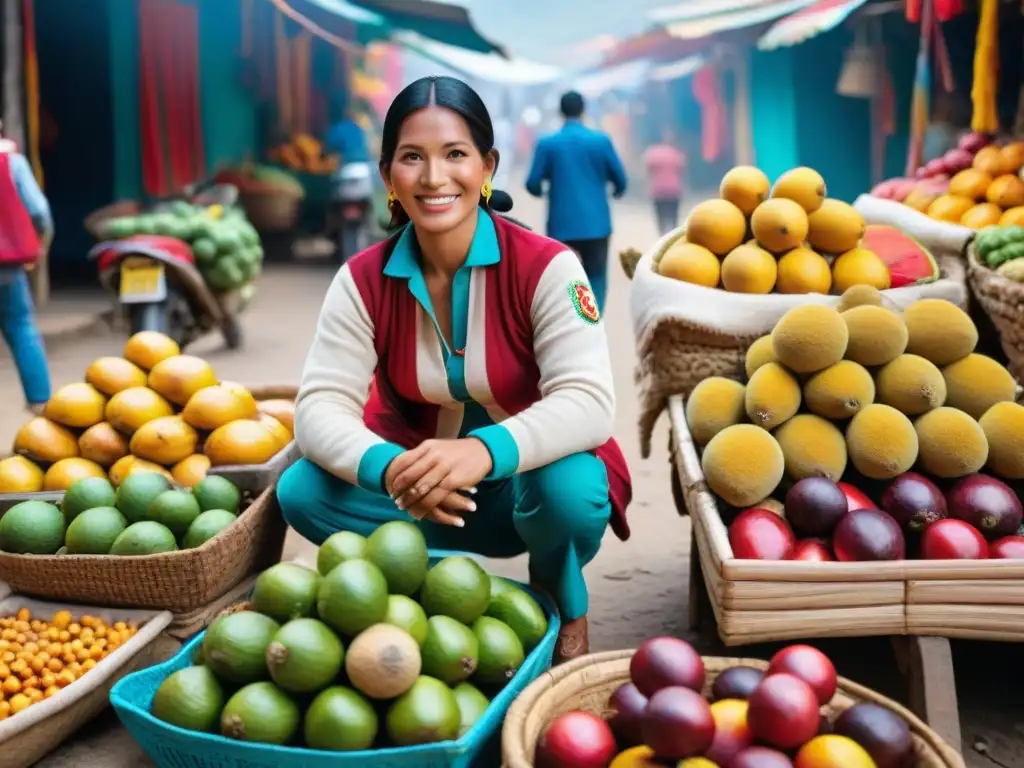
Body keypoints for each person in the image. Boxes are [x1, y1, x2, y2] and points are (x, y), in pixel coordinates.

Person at [277, 75, 633, 663]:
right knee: (304, 492)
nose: (434, 177)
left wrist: (482, 452)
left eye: (456, 154)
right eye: (412, 157)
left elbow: (589, 401)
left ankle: (561, 601)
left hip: (527, 493)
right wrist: (393, 469)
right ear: (388, 173)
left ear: (487, 166)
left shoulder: (548, 267)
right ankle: (424, 589)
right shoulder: (362, 279)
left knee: (567, 490)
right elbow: (317, 409)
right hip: (420, 495)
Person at [525, 91, 627, 313]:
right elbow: (620, 180)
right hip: (596, 224)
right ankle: (593, 320)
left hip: (561, 225)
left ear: (561, 112)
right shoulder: (600, 141)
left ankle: (573, 317)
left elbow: (532, 183)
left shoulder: (548, 144)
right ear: (584, 110)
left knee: (565, 275)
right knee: (596, 275)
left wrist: (545, 192)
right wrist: (616, 191)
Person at [0, 131, 52, 414]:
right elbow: (39, 210)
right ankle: (41, 401)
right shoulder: (12, 161)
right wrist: (41, 240)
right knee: (20, 326)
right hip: (6, 265)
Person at [643, 129, 687, 236]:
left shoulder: (652, 153)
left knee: (661, 217)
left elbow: (648, 170)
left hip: (658, 190)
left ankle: (662, 237)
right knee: (673, 217)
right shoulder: (676, 153)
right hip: (673, 190)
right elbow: (682, 169)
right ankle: (671, 237)